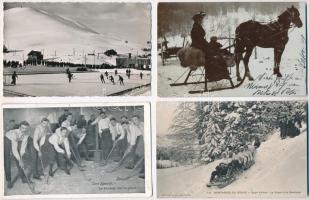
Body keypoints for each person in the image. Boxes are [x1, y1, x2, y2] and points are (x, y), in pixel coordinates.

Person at [4, 121, 33, 189]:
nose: (24, 130)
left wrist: (21, 158)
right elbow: (14, 149)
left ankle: (23, 178)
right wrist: (20, 160)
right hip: (7, 139)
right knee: (7, 160)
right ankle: (9, 180)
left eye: (26, 128)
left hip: (16, 141)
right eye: (22, 128)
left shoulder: (27, 133)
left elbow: (23, 147)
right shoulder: (14, 133)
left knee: (20, 159)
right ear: (19, 127)